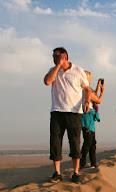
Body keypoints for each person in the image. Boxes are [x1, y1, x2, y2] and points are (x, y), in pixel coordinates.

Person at [44, 47, 91, 184]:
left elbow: (87, 89)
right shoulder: (53, 71)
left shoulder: (78, 70)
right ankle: (57, 173)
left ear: (65, 57)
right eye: (53, 56)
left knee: (75, 143)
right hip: (57, 111)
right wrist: (57, 66)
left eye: (57, 56)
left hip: (74, 112)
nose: (54, 59)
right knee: (55, 142)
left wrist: (86, 102)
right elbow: (47, 82)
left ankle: (75, 172)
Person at [80, 71, 104, 169]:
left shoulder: (85, 90)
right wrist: (102, 92)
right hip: (86, 116)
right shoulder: (85, 90)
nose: (90, 81)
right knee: (88, 141)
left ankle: (93, 162)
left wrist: (98, 87)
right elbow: (98, 100)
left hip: (89, 117)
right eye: (89, 78)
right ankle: (83, 163)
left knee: (92, 142)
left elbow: (92, 96)